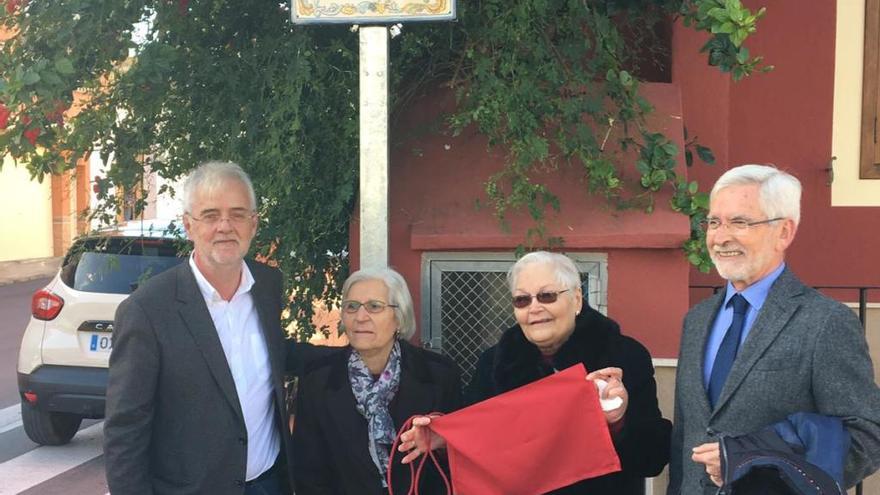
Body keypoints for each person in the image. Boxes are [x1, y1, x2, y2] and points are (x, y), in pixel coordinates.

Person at [104, 161, 328, 494]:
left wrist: (357, 354)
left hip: (269, 484)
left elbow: (276, 356)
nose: (225, 226)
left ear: (253, 224)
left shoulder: (266, 286)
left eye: (238, 214)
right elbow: (125, 432)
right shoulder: (148, 310)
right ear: (188, 225)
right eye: (210, 215)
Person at [667, 164, 880, 494]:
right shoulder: (696, 320)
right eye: (714, 222)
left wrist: (758, 468)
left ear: (784, 232)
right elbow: (687, 435)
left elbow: (867, 436)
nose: (721, 237)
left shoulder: (825, 321)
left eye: (740, 222)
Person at [400, 251, 671, 494]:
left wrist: (618, 422)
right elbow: (482, 443)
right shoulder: (493, 364)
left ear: (576, 299)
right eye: (521, 300)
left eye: (547, 296)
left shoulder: (623, 357)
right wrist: (444, 439)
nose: (535, 308)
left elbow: (652, 458)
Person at [291, 267, 461, 495]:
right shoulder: (318, 380)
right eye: (351, 306)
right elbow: (309, 472)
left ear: (399, 318)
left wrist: (439, 443)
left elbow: (458, 455)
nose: (360, 317)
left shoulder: (438, 375)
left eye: (374, 306)